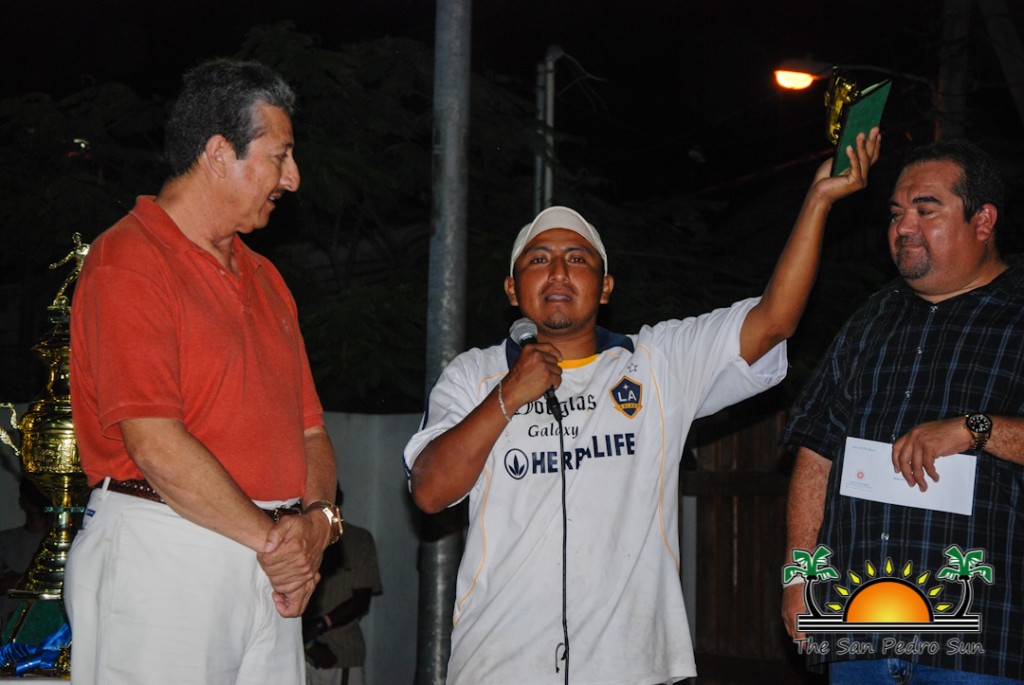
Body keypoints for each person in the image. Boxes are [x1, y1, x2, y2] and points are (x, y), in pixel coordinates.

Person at [403, 131, 880, 683]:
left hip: (631, 666)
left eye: (577, 259)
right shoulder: (473, 375)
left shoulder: (657, 363)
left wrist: (818, 201)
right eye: (538, 260)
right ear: (512, 289)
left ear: (605, 287)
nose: (557, 272)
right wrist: (508, 395)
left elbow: (773, 322)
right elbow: (430, 491)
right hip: (498, 665)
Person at [65, 59, 343, 685]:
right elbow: (154, 443)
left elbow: (310, 433)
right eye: (280, 156)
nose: (293, 178)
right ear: (220, 153)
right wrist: (279, 546)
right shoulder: (128, 259)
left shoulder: (268, 279)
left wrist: (317, 525)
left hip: (273, 561)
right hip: (167, 549)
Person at [781, 138, 1024, 683]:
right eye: (895, 214)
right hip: (859, 631)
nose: (904, 226)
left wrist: (976, 429)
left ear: (983, 221)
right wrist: (799, 578)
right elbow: (816, 451)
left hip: (982, 639)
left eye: (925, 209)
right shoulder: (869, 319)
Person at [303, 488, 382, 685]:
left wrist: (319, 626)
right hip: (297, 654)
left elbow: (361, 600)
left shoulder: (357, 539)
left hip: (338, 653)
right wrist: (308, 642)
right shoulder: (298, 538)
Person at [0, 477, 48, 593]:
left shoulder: (59, 541)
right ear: (22, 502)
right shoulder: (5, 540)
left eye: (39, 496)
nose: (35, 502)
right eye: (31, 496)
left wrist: (15, 579)